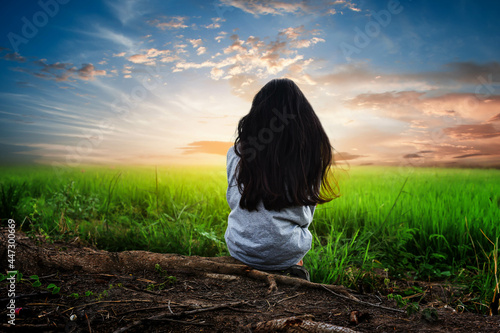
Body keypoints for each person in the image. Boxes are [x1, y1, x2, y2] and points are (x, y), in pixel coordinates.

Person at [224, 78, 339, 281]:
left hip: (240, 247)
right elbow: (306, 213)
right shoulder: (310, 156)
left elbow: (234, 200)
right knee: (292, 240)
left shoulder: (236, 153)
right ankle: (293, 263)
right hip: (287, 251)